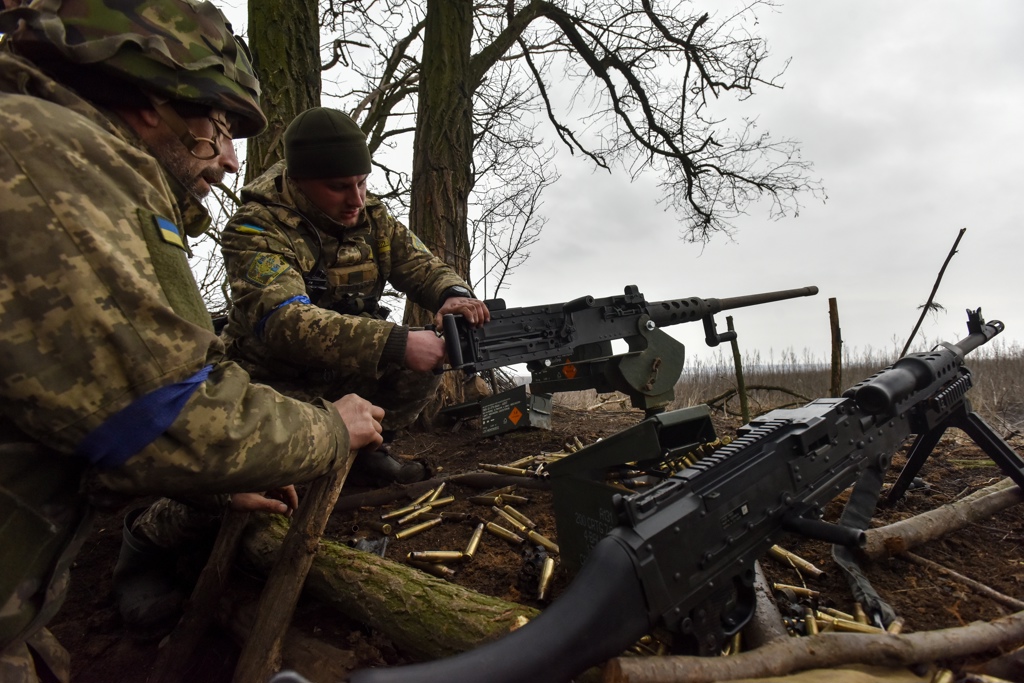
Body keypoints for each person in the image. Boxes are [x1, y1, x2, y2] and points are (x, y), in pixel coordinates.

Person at [0, 2, 383, 681]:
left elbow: (75, 406)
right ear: (151, 101)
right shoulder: (50, 158)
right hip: (262, 391)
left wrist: (448, 296)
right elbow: (164, 418)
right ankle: (143, 551)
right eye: (221, 129)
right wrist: (328, 429)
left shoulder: (51, 148)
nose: (231, 161)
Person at [218, 106, 491, 484]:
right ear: (299, 180)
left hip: (346, 371)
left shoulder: (372, 217)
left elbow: (422, 266)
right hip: (274, 382)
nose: (357, 199)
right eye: (339, 187)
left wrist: (452, 293)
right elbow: (284, 322)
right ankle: (291, 465)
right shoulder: (253, 229)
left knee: (425, 359)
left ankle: (368, 453)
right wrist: (396, 343)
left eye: (362, 183)